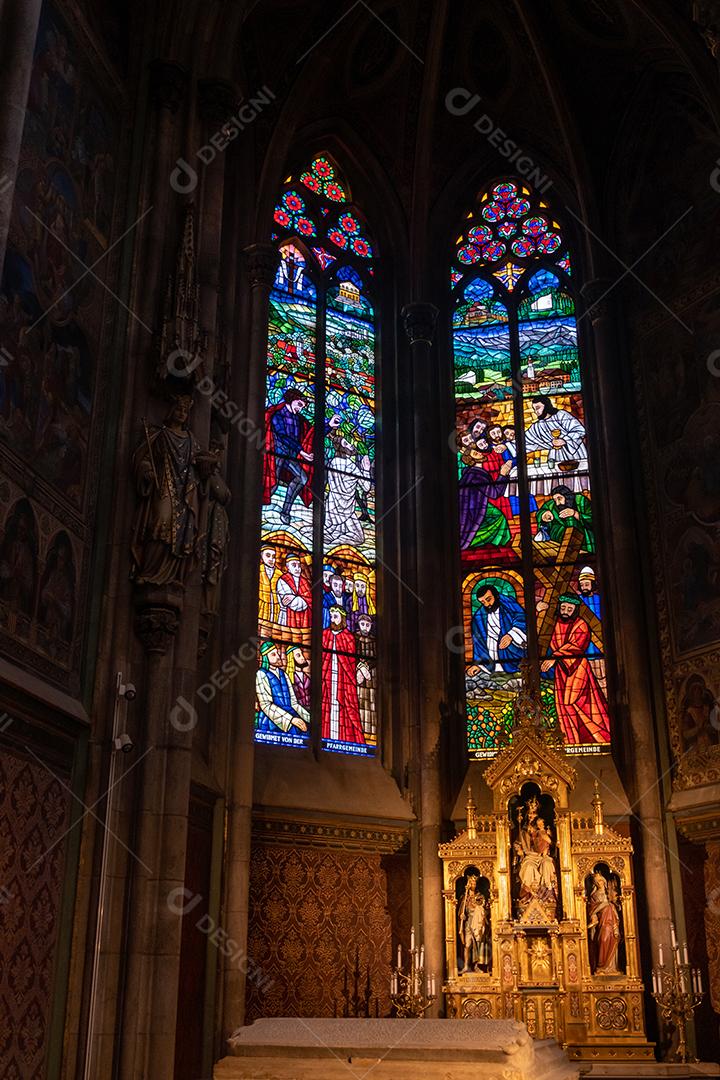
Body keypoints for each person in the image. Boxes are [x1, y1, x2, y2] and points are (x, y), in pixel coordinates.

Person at [541, 595, 610, 744]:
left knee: (577, 703)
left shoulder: (581, 624)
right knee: (563, 708)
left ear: (575, 610)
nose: (565, 611)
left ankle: (597, 738)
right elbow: (539, 636)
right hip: (561, 672)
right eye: (563, 608)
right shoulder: (552, 625)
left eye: (569, 609)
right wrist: (539, 611)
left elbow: (577, 646)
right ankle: (571, 741)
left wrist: (556, 656)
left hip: (578, 669)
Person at [263, 388, 314, 524]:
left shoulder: (298, 418)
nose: (300, 409)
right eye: (299, 404)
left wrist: (329, 426)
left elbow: (312, 432)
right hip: (276, 455)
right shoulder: (278, 415)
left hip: (290, 457)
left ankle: (285, 511)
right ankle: (258, 507)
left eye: (302, 407)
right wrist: (302, 452)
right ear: (291, 399)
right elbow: (283, 436)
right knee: (272, 484)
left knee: (302, 478)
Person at [321, 606, 365, 745]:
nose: (333, 619)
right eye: (331, 616)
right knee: (326, 707)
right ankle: (327, 736)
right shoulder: (324, 634)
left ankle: (345, 740)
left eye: (336, 616)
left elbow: (350, 661)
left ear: (342, 618)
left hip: (344, 680)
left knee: (346, 709)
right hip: (327, 677)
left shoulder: (349, 637)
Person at [324, 435, 372, 545]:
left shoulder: (333, 462)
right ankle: (335, 544)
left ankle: (333, 540)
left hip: (332, 507)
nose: (351, 446)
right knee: (359, 538)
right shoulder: (351, 466)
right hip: (346, 511)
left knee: (332, 532)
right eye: (346, 444)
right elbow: (366, 487)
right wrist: (366, 470)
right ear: (341, 448)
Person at [255, 641, 310, 736]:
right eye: (273, 654)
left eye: (277, 653)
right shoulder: (261, 674)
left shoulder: (284, 674)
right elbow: (266, 705)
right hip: (271, 720)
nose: (278, 656)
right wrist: (290, 719)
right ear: (266, 657)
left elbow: (294, 703)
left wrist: (309, 719)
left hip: (290, 715)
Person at [471, 583, 526, 673]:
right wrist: (480, 665)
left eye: (488, 599)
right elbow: (479, 641)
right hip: (493, 653)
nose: (487, 604)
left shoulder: (509, 604)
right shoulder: (479, 616)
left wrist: (511, 635)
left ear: (496, 596)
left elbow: (522, 618)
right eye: (483, 602)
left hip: (515, 648)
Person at [525, 395, 586, 467]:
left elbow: (580, 430)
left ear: (546, 405)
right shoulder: (537, 426)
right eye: (534, 409)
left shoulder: (561, 415)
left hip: (575, 454)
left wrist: (564, 440)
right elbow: (525, 440)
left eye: (538, 408)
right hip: (556, 457)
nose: (536, 412)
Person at [587, 871, 621, 975]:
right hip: (603, 922)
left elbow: (615, 902)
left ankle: (611, 968)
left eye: (600, 881)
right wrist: (605, 905)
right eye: (597, 882)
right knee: (603, 939)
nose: (599, 883)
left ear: (604, 881)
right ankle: (601, 966)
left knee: (612, 939)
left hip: (611, 922)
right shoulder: (594, 895)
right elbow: (592, 909)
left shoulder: (609, 893)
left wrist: (612, 904)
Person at [458, 872, 491, 973]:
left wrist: (481, 910)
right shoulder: (465, 897)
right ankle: (466, 966)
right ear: (468, 884)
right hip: (468, 923)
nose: (473, 885)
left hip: (478, 924)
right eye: (471, 883)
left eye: (474, 883)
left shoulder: (480, 896)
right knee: (467, 945)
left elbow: (484, 909)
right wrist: (461, 916)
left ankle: (476, 966)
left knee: (477, 945)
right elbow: (461, 911)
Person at [276, 551, 311, 630]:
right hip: (287, 617)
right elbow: (293, 604)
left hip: (305, 617)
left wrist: (295, 597)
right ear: (287, 567)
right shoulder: (283, 580)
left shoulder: (305, 582)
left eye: (299, 565)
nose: (297, 568)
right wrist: (300, 599)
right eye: (294, 565)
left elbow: (310, 600)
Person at [355, 612, 376, 741]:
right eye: (363, 624)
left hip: (372, 677)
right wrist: (360, 667)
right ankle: (360, 730)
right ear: (358, 624)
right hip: (358, 675)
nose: (365, 627)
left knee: (371, 703)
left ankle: (371, 732)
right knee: (360, 701)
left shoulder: (373, 640)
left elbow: (376, 657)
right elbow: (352, 654)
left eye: (368, 625)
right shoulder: (355, 638)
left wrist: (366, 666)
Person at [258, 545, 281, 629]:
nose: (271, 559)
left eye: (273, 557)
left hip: (276, 608)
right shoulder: (258, 570)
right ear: (261, 556)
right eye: (268, 555)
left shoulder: (280, 574)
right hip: (261, 607)